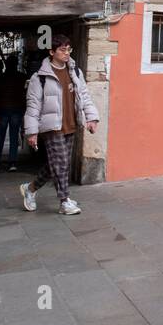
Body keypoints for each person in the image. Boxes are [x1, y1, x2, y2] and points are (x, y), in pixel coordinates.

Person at [21, 35, 98, 216]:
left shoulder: (75, 72)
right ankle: (64, 201)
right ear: (52, 52)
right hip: (51, 127)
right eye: (62, 50)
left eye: (69, 49)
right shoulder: (39, 77)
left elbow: (84, 97)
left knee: (55, 164)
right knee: (62, 163)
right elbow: (33, 106)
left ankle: (30, 189)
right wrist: (31, 133)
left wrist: (92, 118)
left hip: (70, 125)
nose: (66, 53)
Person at [0, 56, 25, 171]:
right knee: (14, 136)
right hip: (17, 108)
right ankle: (12, 163)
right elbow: (24, 95)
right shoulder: (21, 77)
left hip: (3, 109)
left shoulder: (1, 78)